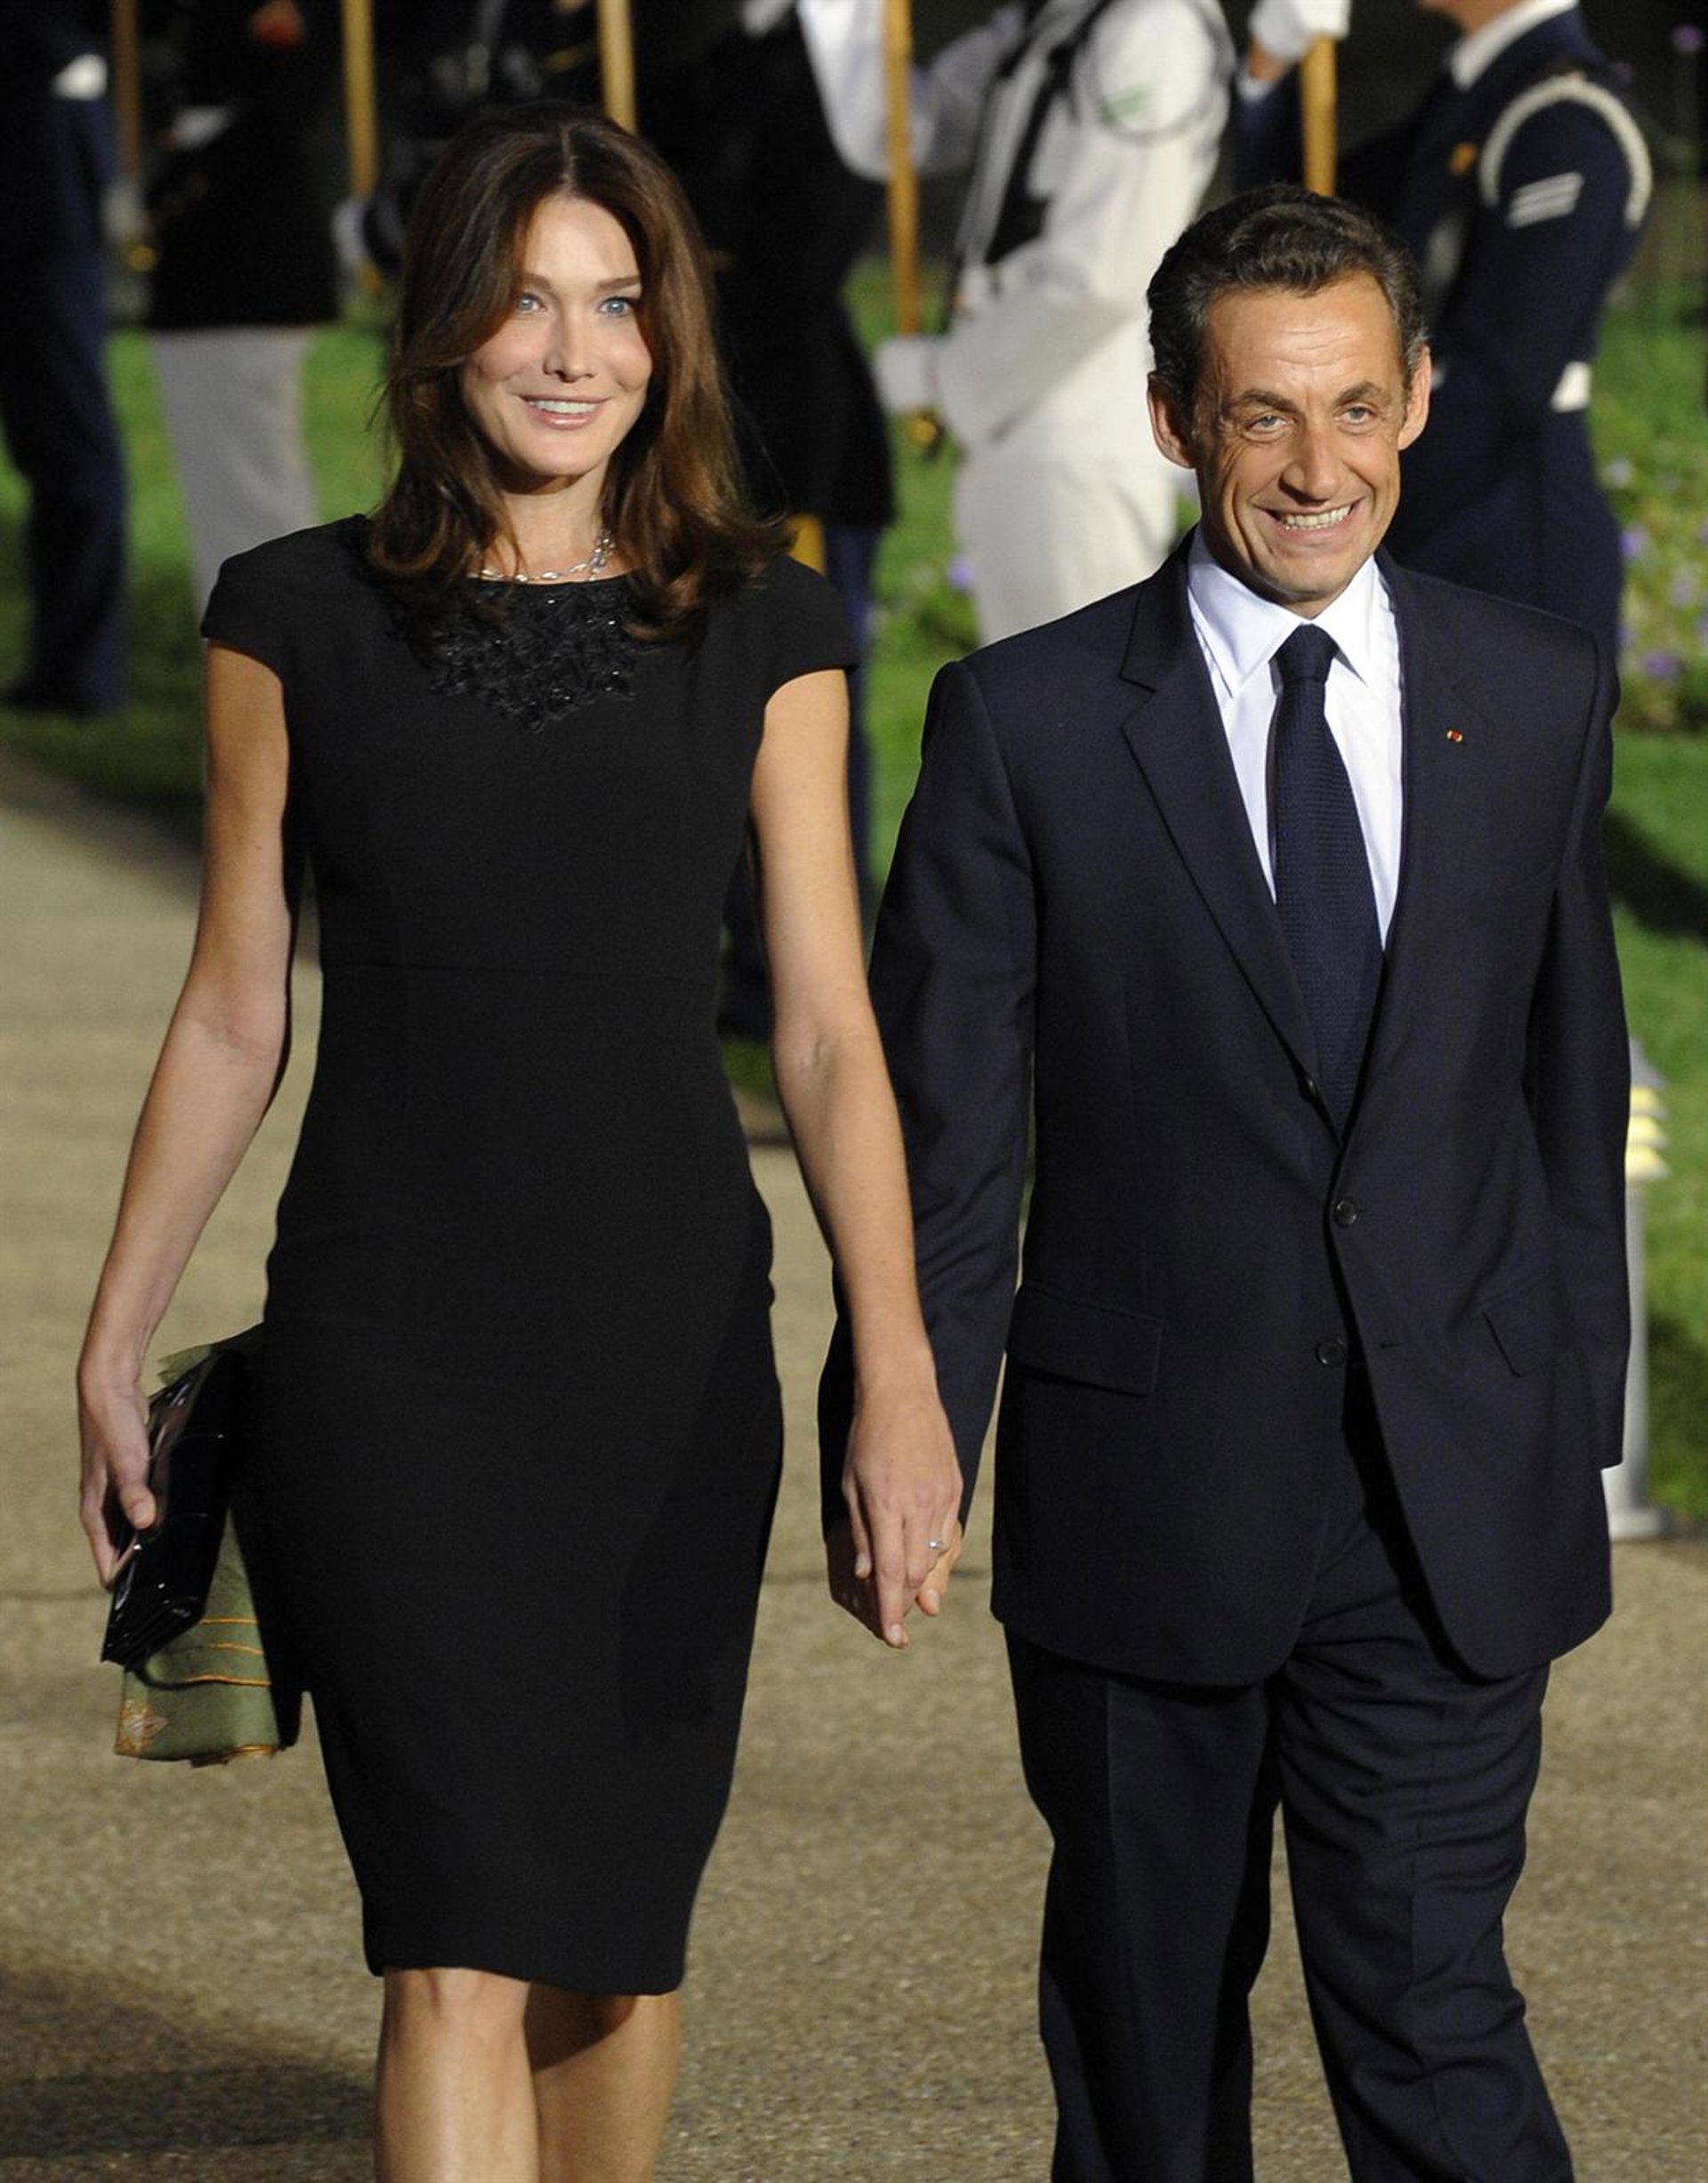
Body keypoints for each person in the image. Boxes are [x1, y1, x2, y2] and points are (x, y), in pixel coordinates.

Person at [77, 105, 959, 2183]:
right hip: (390, 1361)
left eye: (618, 303)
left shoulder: (771, 625)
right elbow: (232, 1008)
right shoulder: (286, 617)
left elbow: (830, 1034)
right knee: (453, 1941)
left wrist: (900, 1370)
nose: (574, 351)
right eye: (527, 300)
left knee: (613, 1955)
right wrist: (114, 1336)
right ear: (442, 323)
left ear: (670, 337)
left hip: (664, 1364)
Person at [823, 183, 1629, 2179]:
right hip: (1146, 1493)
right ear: (1177, 419)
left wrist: (1566, 1413)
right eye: (1264, 413)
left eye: (1355, 407)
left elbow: (1560, 1082)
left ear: (1419, 396)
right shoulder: (1025, 727)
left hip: (1441, 1511)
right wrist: (905, 1414)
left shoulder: (1535, 693)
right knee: (1148, 2049)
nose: (1316, 466)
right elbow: (950, 1135)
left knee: (1433, 2014)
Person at [797, 0, 1233, 642]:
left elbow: (1104, 274)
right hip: (1020, 421)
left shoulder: (1152, 29)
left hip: (1075, 433)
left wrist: (945, 376)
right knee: (1030, 696)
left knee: (1077, 695)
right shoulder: (1056, 15)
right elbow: (902, 128)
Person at [1236, 0, 1652, 655]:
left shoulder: (1563, 121)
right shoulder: (1477, 92)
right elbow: (1293, 236)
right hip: (1431, 527)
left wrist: (1331, 465)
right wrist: (1272, 65)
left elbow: (1502, 377)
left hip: (1502, 551)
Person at [647, 0, 897, 1037]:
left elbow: (807, 246)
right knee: (704, 707)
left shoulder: (850, 53)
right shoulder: (719, 57)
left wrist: (686, 241)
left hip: (797, 441)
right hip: (706, 430)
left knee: (798, 717)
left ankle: (802, 978)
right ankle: (738, 965)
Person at [144, 0, 342, 612]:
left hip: (249, 268)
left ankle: (284, 647)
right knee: (214, 495)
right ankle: (234, 642)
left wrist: (171, 192)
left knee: (258, 496)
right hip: (200, 280)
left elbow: (280, 112)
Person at [0, 0, 127, 715]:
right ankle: (67, 665)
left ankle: (82, 670)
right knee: (52, 446)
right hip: (32, 176)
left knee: (71, 446)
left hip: (44, 190)